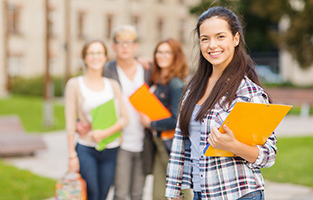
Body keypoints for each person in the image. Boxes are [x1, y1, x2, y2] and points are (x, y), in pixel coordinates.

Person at [165, 7, 277, 200]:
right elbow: (181, 144)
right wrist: (175, 192)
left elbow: (268, 155)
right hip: (201, 194)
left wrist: (234, 145)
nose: (212, 45)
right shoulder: (193, 88)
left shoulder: (248, 92)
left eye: (220, 37)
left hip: (238, 194)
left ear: (235, 39)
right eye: (205, 38)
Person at [65, 39, 128, 200]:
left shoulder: (112, 85)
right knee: (91, 193)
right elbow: (70, 121)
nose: (95, 57)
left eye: (99, 53)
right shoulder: (74, 84)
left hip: (111, 148)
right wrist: (72, 155)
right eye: (91, 53)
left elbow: (124, 118)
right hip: (86, 148)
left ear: (106, 57)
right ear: (84, 57)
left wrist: (104, 133)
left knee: (103, 195)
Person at [102, 25, 151, 200]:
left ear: (135, 46)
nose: (124, 47)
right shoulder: (106, 70)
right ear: (113, 46)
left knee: (138, 193)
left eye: (128, 42)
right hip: (120, 140)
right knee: (121, 194)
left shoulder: (147, 69)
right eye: (120, 42)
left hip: (144, 140)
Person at [138, 38, 190, 200]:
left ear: (176, 56)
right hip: (159, 145)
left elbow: (177, 120)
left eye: (167, 52)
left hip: (171, 147)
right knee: (159, 195)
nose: (162, 55)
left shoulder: (175, 84)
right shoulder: (158, 80)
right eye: (159, 52)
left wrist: (150, 123)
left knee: (181, 194)